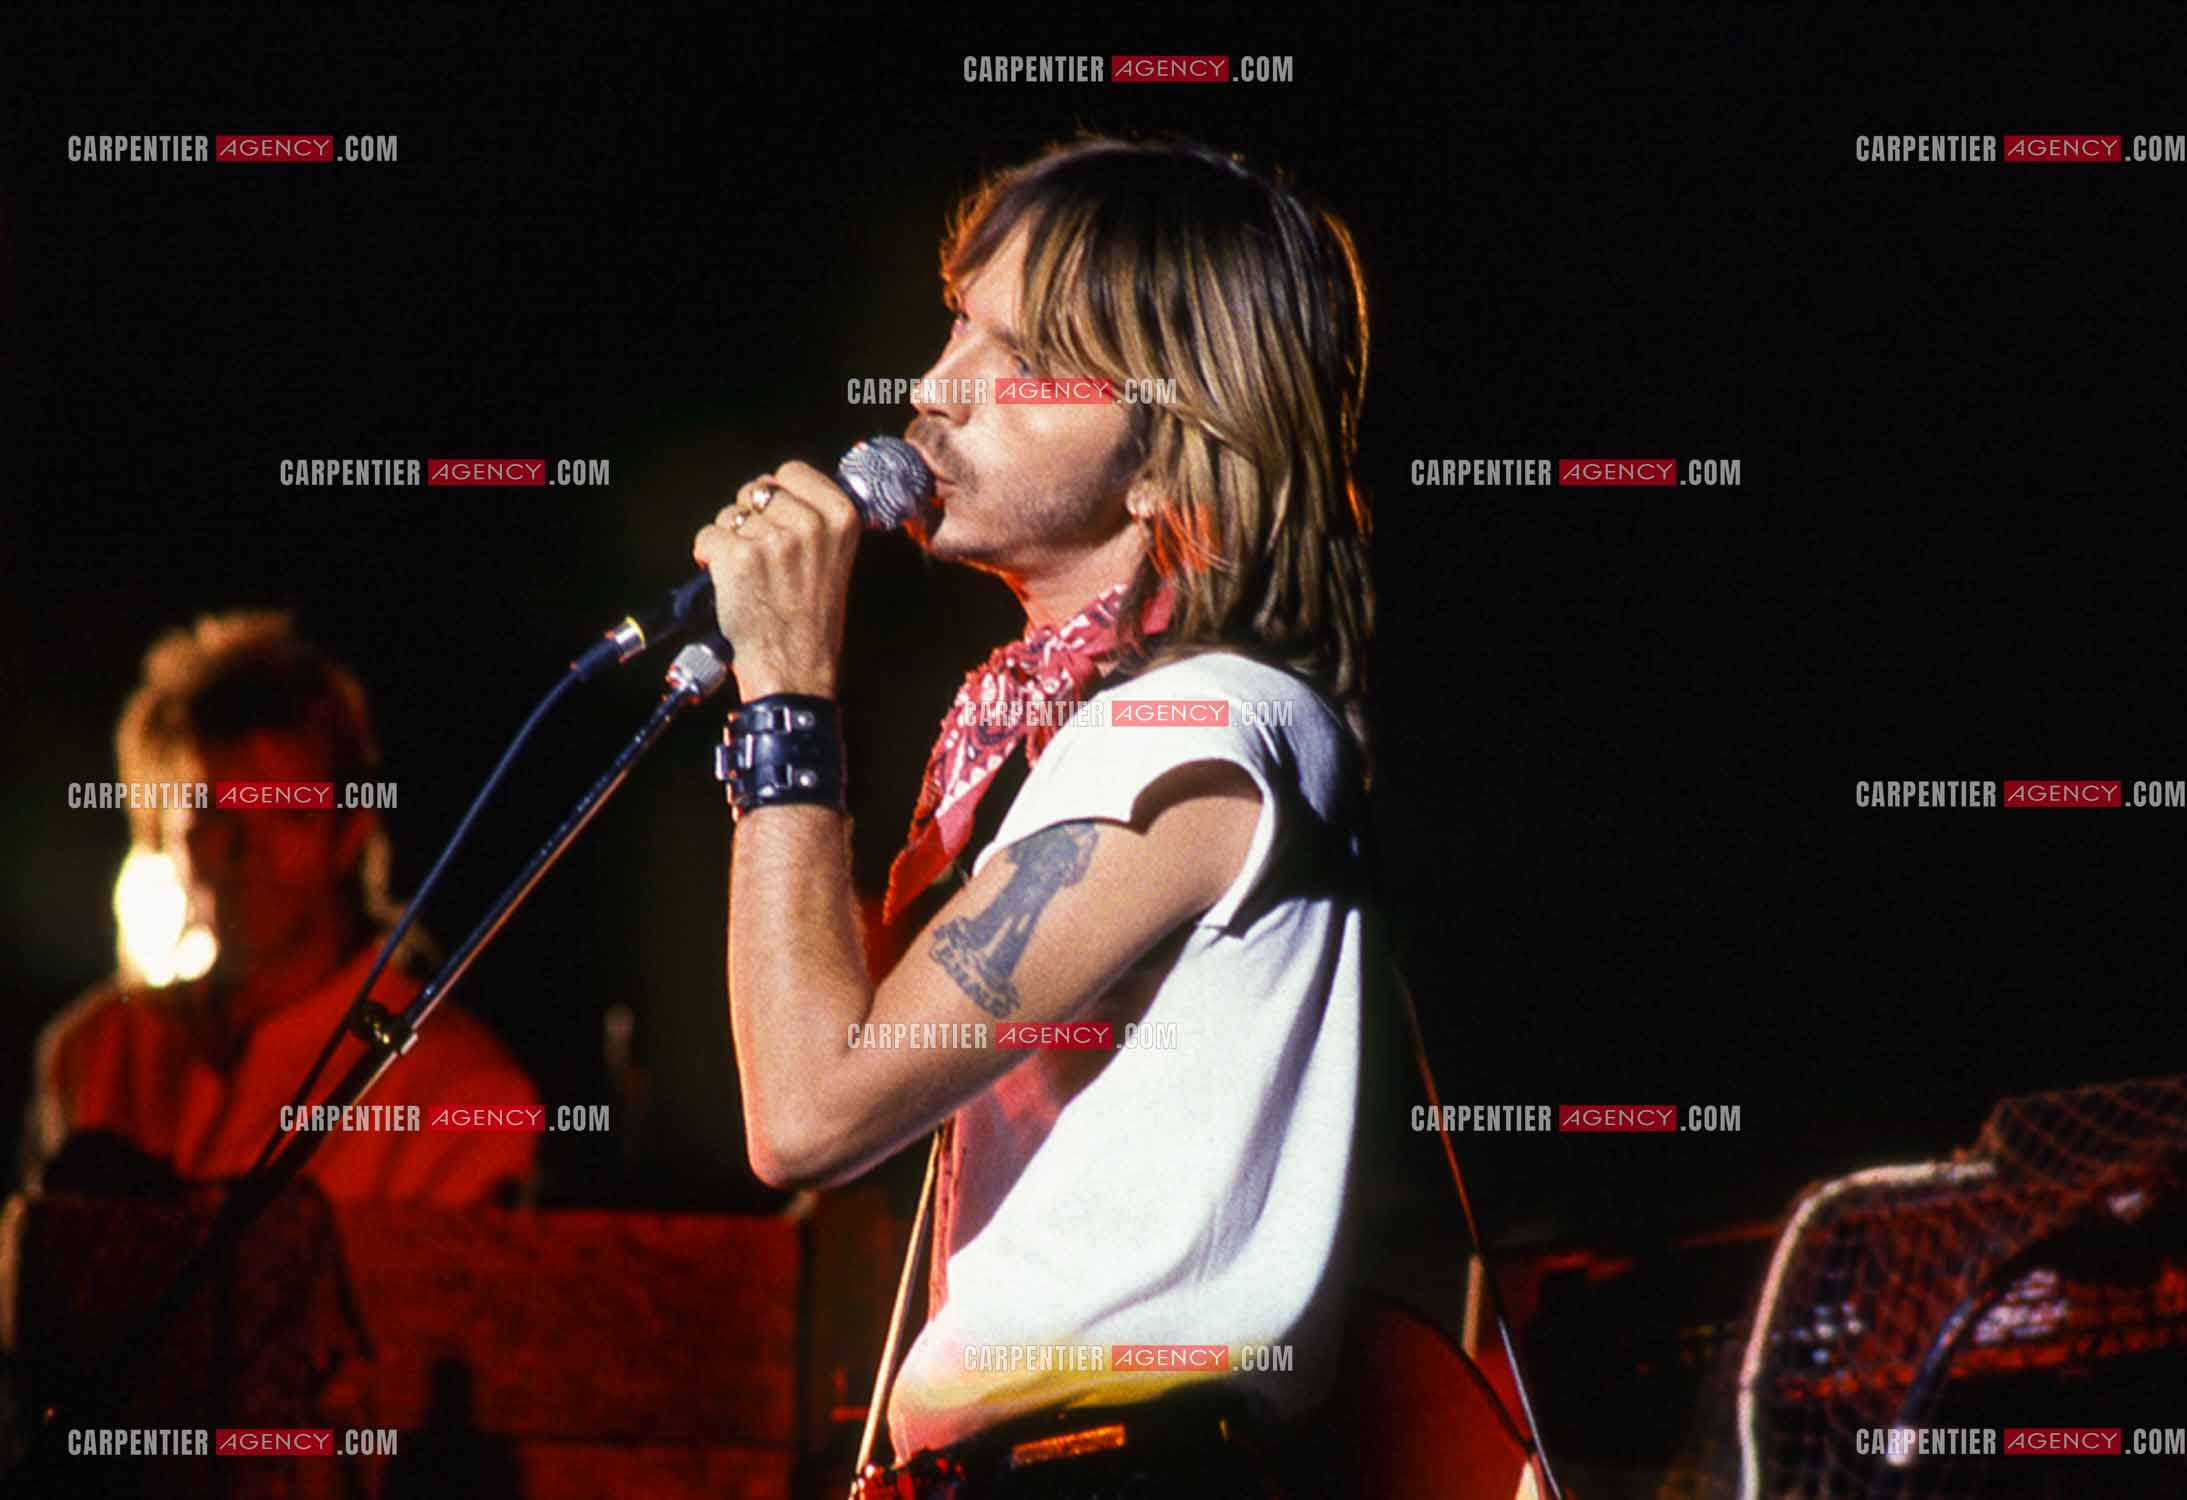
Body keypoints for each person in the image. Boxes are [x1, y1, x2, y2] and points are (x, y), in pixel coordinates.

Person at [693, 135, 1376, 1494]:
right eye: (955, 326)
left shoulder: (1199, 729)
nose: (932, 395)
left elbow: (809, 1111)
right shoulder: (1072, 731)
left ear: (1162, 450)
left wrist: (787, 699)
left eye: (1017, 359)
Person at [21, 611, 540, 1207]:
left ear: (350, 833)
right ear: (161, 833)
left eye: (290, 810)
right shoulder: (96, 1049)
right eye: (211, 813)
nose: (249, 851)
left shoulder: (462, 1089)